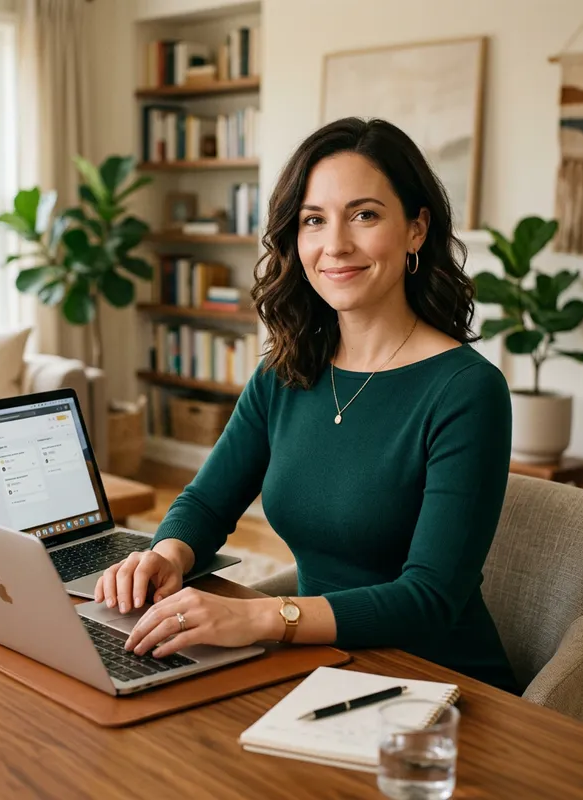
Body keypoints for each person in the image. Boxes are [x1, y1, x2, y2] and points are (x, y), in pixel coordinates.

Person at [95, 116, 519, 694]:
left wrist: (261, 618)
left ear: (417, 229)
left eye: (364, 215)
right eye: (313, 220)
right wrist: (167, 554)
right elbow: (207, 501)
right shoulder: (286, 370)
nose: (335, 245)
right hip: (318, 664)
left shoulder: (467, 390)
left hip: (437, 685)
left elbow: (430, 597)